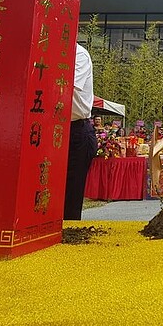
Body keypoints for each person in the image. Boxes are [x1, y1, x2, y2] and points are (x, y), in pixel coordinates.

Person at [64, 44, 98, 220]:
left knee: (70, 193)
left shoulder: (78, 54)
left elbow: (64, 86)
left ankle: (67, 238)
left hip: (76, 130)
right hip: (51, 128)